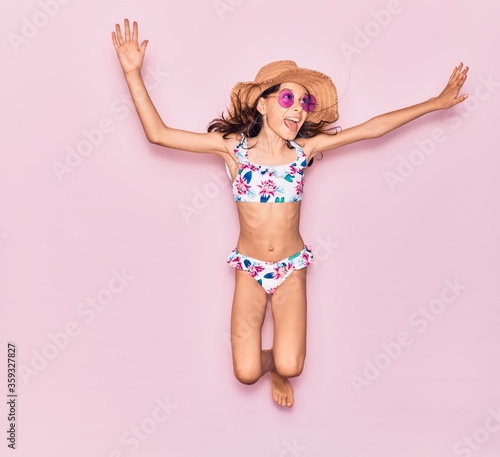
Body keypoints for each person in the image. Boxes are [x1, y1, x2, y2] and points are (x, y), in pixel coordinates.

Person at [111, 18, 468, 408]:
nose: (298, 109)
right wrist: (132, 73)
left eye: (305, 102)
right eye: (287, 99)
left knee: (292, 365)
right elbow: (158, 134)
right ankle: (267, 366)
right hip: (249, 268)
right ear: (262, 104)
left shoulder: (305, 150)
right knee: (246, 373)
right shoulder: (233, 149)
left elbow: (372, 129)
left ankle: (279, 370)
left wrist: (436, 102)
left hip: (290, 269)